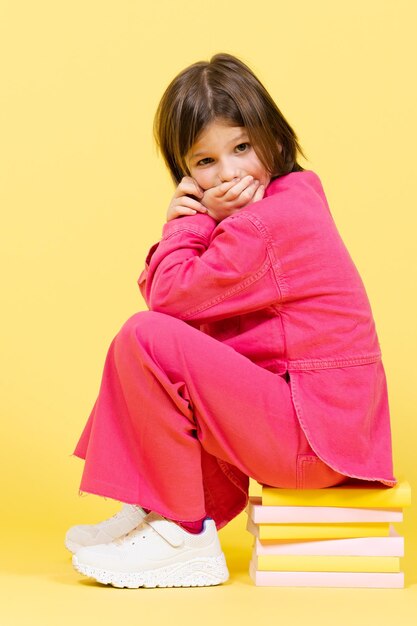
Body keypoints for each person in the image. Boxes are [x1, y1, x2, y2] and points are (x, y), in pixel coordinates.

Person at [66, 53, 396, 589]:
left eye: (242, 147)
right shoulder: (295, 194)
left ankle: (183, 530)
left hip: (312, 440)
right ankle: (160, 504)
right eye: (205, 162)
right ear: (185, 172)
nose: (231, 173)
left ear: (273, 137)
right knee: (178, 346)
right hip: (323, 428)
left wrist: (185, 225)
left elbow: (169, 297)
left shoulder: (265, 223)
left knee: (147, 337)